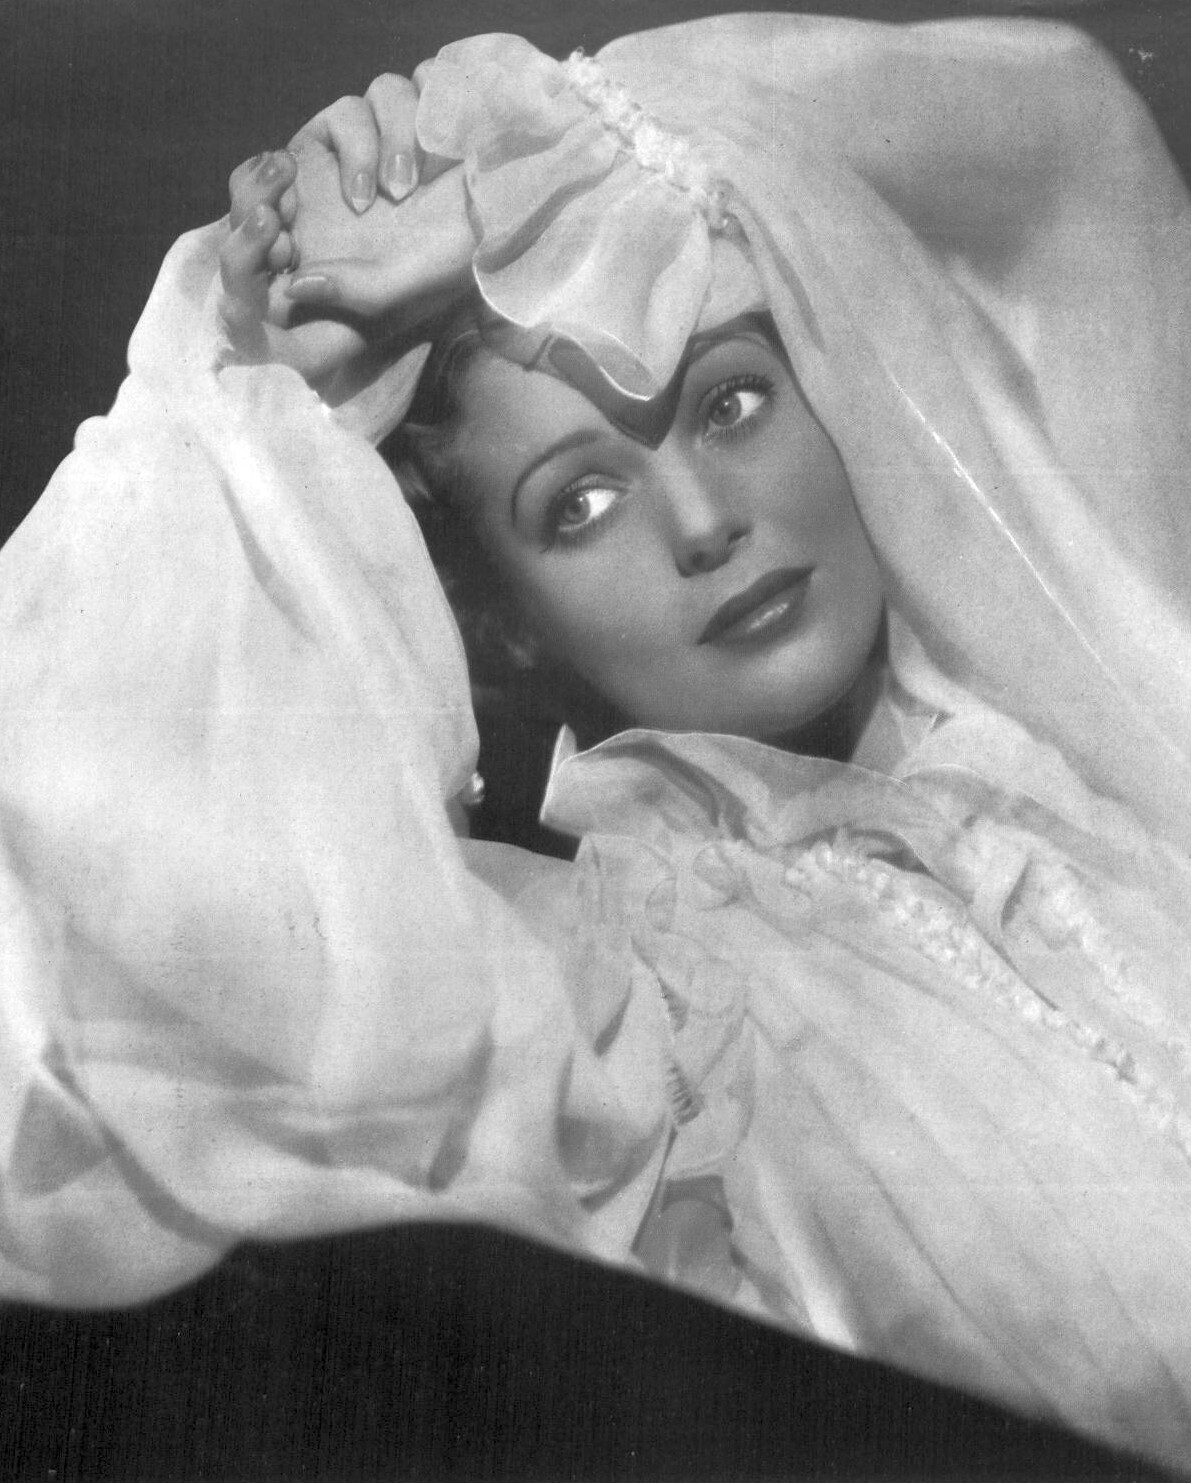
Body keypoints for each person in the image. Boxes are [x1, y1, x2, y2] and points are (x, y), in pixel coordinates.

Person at [3, 10, 1191, 1472]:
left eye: (732, 403)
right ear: (509, 626)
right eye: (578, 504)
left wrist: (556, 159)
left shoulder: (1102, 680)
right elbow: (86, 941)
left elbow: (1070, 129)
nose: (704, 523)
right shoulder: (624, 1013)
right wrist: (243, 389)